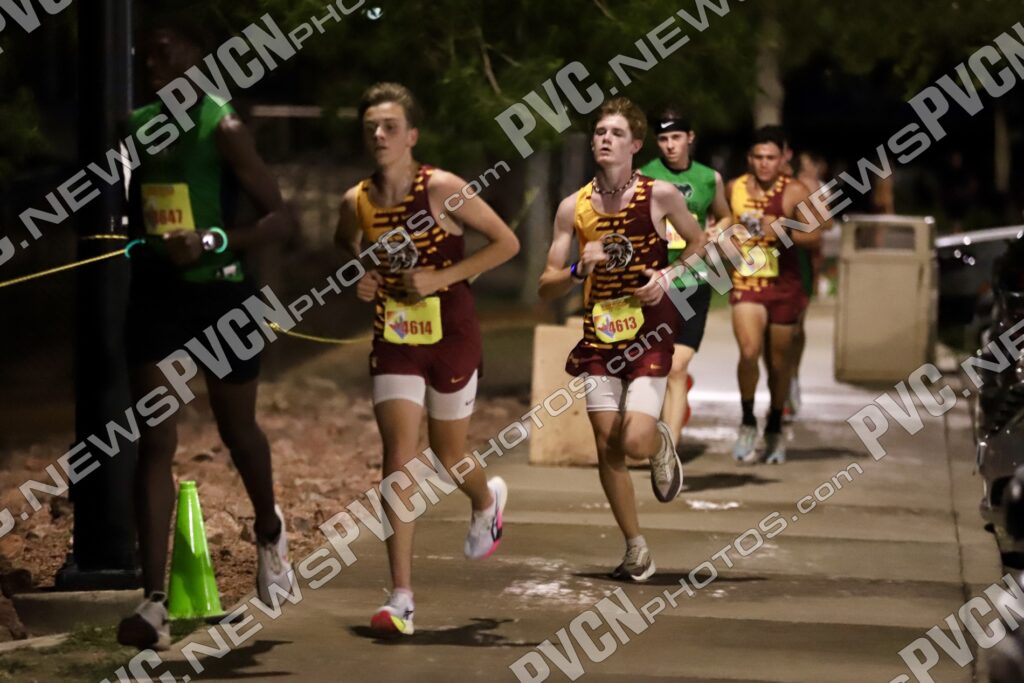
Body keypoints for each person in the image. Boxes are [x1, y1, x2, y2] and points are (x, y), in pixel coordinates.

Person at [117, 18, 294, 651]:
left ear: (196, 57)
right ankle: (153, 604)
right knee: (155, 441)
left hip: (222, 296)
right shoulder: (135, 126)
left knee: (236, 430)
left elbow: (281, 219)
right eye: (146, 55)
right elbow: (129, 210)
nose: (151, 65)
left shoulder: (224, 127)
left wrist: (214, 239)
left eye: (164, 52)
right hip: (158, 296)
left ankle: (269, 530)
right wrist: (142, 242)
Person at [336, 83, 519, 636]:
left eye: (390, 126)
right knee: (398, 455)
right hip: (394, 336)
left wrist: (443, 276)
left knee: (448, 452)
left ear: (411, 136)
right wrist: (363, 274)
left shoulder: (443, 189)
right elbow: (345, 243)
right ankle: (401, 597)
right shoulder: (355, 200)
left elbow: (506, 243)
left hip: (452, 335)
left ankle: (485, 501)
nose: (379, 135)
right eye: (371, 127)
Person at [538, 98, 705, 581]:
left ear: (635, 145)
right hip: (600, 334)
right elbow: (546, 284)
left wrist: (668, 277)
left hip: (649, 328)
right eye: (599, 132)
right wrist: (577, 269)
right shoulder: (572, 208)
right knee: (607, 445)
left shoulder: (661, 195)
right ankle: (636, 547)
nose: (605, 139)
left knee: (633, 440)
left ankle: (657, 441)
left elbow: (699, 245)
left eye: (615, 133)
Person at [727, 126, 825, 465]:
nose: (764, 163)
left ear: (782, 158)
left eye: (771, 157)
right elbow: (722, 222)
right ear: (749, 158)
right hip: (747, 282)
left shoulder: (794, 190)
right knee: (749, 351)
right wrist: (725, 237)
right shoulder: (735, 187)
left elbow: (816, 234)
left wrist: (783, 230)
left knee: (779, 364)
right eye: (759, 157)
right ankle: (747, 420)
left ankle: (774, 425)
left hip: (784, 286)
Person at [638, 105, 731, 448]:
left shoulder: (709, 178)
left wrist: (716, 230)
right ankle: (645, 434)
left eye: (676, 137)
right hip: (655, 281)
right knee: (655, 368)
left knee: (678, 367)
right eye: (663, 139)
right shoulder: (644, 176)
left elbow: (725, 215)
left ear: (690, 138)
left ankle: (668, 453)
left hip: (694, 280)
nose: (670, 145)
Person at [786, 150, 829, 418]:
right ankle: (780, 382)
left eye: (808, 166)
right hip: (771, 263)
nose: (805, 173)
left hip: (803, 262)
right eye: (800, 168)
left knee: (795, 328)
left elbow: (826, 226)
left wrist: (814, 196)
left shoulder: (814, 189)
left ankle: (792, 377)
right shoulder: (781, 187)